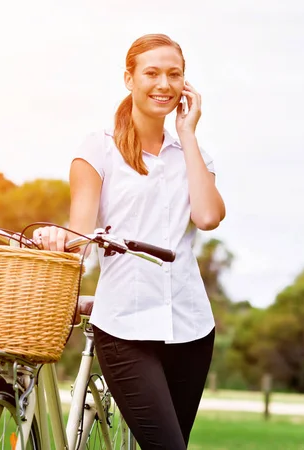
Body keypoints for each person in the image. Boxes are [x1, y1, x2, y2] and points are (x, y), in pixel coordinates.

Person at [33, 34, 226, 449]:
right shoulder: (98, 149)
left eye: (174, 74)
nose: (164, 84)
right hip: (124, 326)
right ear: (129, 78)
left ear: (185, 84)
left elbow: (208, 217)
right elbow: (81, 233)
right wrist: (55, 235)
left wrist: (187, 135)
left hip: (191, 328)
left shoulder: (193, 155)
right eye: (152, 73)